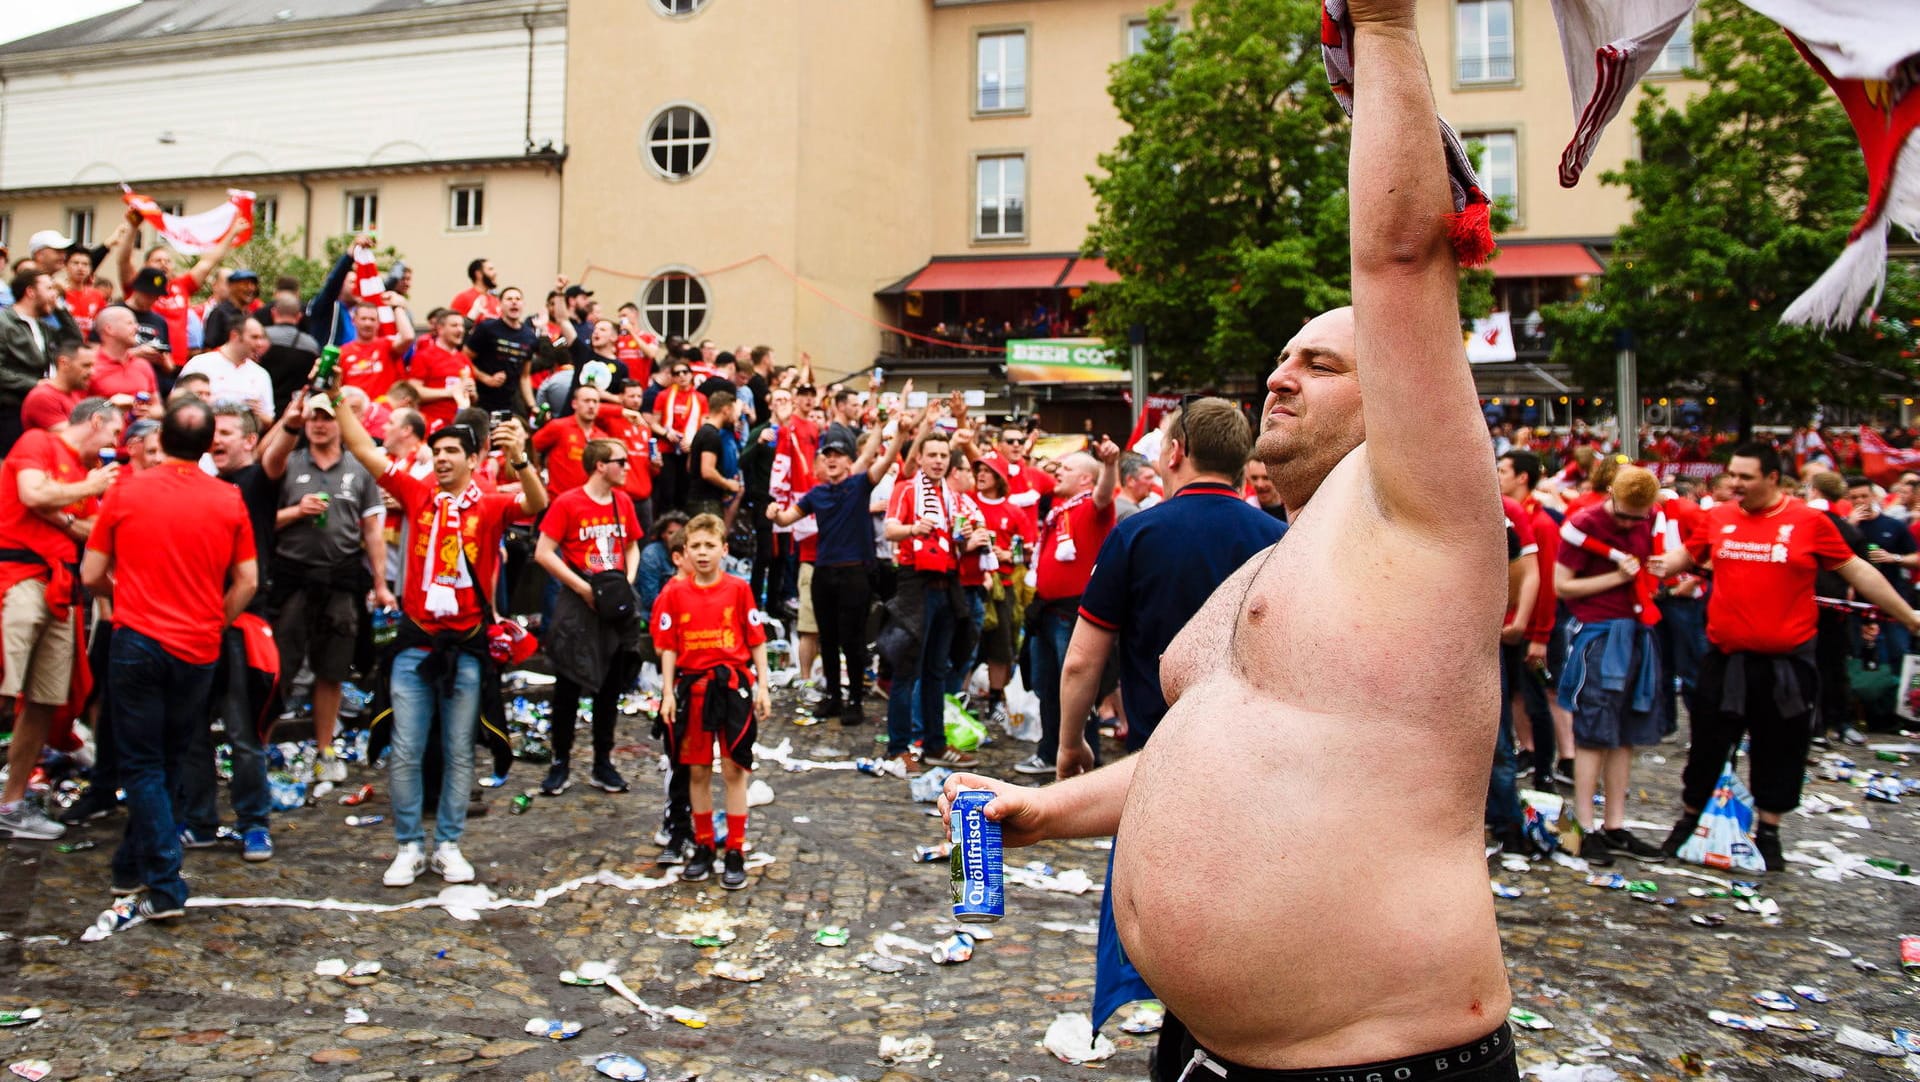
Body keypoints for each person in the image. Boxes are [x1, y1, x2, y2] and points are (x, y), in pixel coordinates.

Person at [945, 6, 1523, 1075]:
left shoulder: (1430, 514)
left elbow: (1400, 261)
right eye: (1281, 358)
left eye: (1321, 362)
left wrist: (1389, 27)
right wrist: (1046, 809)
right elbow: (1207, 755)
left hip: (1374, 1058)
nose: (1279, 374)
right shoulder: (1269, 557)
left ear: (1400, 394)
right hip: (1207, 1050)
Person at [1652, 443, 1920, 871]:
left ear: (1773, 478)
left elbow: (1858, 570)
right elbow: (1687, 555)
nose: (1735, 484)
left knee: (1781, 748)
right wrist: (1660, 564)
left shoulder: (1809, 522)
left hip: (1785, 663)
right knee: (1707, 745)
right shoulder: (1719, 518)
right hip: (1725, 658)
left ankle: (1770, 832)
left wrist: (1908, 616)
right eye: (1732, 475)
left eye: (1746, 477)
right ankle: (1688, 822)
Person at [332, 388, 546, 888]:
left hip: (467, 646)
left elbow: (536, 502)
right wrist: (335, 397)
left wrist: (520, 459)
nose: (443, 458)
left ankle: (448, 844)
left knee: (458, 749)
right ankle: (408, 845)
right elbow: (364, 450)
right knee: (406, 748)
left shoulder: (491, 506)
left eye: (453, 451)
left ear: (474, 460)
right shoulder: (415, 492)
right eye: (438, 450)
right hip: (415, 642)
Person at [81, 398, 257, 931]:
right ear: (208, 445)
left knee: (141, 763)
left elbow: (91, 572)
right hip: (196, 646)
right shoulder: (228, 500)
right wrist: (213, 619)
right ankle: (134, 865)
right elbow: (247, 580)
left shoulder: (127, 491)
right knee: (172, 757)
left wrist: (124, 597)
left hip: (137, 639)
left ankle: (160, 881)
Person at [1056, 399, 1286, 778]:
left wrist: (1069, 744)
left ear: (1177, 452)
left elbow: (1082, 662)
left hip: (1158, 757)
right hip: (1251, 759)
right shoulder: (1279, 538)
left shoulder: (1135, 535)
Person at [179, 401, 296, 860]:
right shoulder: (204, 485)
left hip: (239, 624)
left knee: (243, 733)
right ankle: (201, 821)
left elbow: (277, 455)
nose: (217, 439)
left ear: (249, 439)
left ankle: (253, 824)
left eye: (226, 431)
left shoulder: (257, 481)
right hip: (196, 624)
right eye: (213, 432)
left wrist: (291, 421)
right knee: (192, 731)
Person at [0, 398, 121, 840]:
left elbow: (97, 531)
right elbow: (32, 494)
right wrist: (86, 489)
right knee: (4, 687)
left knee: (44, 699)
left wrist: (64, 513)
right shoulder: (37, 443)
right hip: (18, 577)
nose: (114, 445)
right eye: (112, 433)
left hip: (62, 587)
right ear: (94, 422)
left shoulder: (83, 473)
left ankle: (12, 802)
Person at [272, 394, 393, 785]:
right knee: (278, 669)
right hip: (291, 578)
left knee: (332, 670)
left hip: (340, 579)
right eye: (313, 418)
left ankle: (324, 749)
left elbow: (373, 529)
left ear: (340, 423)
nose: (319, 424)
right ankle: (263, 746)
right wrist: (296, 511)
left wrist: (379, 583)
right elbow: (260, 521)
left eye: (326, 417)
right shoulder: (288, 463)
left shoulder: (358, 469)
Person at [1553, 466, 1670, 866]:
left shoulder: (1650, 516)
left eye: (1637, 517)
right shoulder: (1584, 523)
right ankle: (1583, 827)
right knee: (1593, 732)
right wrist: (1617, 578)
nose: (1629, 523)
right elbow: (1562, 586)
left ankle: (1615, 825)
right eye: (1623, 515)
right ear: (1609, 494)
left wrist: (1659, 569)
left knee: (1624, 733)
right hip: (1599, 636)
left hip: (1638, 632)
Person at [653, 513, 773, 890]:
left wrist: (764, 686)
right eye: (695, 547)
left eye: (710, 546)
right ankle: (704, 844)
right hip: (694, 690)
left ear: (724, 549)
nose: (703, 554)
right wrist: (668, 693)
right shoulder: (674, 593)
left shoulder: (738, 589)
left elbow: (755, 639)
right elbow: (668, 647)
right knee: (698, 770)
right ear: (684, 551)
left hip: (732, 688)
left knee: (735, 770)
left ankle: (734, 848)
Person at [769, 416, 913, 724]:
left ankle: (855, 701)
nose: (832, 460)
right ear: (821, 462)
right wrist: (773, 513)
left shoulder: (860, 484)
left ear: (850, 462)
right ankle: (834, 697)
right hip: (824, 573)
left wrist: (896, 435)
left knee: (853, 639)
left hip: (855, 574)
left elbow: (885, 457)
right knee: (829, 638)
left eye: (838, 456)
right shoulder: (816, 494)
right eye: (827, 455)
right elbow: (785, 520)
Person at [533, 438, 644, 796]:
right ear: (600, 465)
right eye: (620, 461)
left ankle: (602, 761)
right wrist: (581, 587)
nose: (627, 467)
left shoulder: (622, 502)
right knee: (567, 684)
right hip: (579, 604)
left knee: (609, 688)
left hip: (613, 604)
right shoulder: (568, 503)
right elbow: (544, 552)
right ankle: (560, 761)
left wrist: (625, 582)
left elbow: (631, 544)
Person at [882, 418, 986, 773]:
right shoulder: (908, 489)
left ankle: (935, 743)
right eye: (933, 455)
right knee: (907, 669)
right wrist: (914, 528)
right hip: (916, 585)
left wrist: (968, 541)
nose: (939, 461)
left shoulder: (954, 497)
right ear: (921, 459)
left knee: (937, 670)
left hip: (949, 583)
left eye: (944, 455)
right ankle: (898, 746)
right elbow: (890, 530)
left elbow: (956, 539)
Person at [1013, 444, 1120, 776]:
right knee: (1047, 686)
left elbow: (1104, 493)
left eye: (1067, 469)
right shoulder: (1061, 508)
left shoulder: (1092, 505)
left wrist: (1109, 465)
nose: (1058, 472)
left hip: (1073, 613)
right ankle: (1049, 752)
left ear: (1086, 479)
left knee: (1078, 689)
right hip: (1046, 610)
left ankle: (1086, 760)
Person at [0, 271, 77, 455]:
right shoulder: (4, 323)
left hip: (39, 408)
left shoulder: (43, 327)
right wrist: (34, 384)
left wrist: (59, 307)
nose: (54, 293)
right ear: (31, 292)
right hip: (11, 411)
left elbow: (75, 342)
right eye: (49, 288)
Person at [1847, 473, 1917, 665]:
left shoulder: (1893, 525)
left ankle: (1907, 693)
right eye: (1854, 497)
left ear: (1874, 497)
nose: (1860, 501)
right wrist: (1849, 527)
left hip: (1892, 601)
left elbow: (1916, 558)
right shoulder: (1844, 527)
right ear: (1848, 499)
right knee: (1861, 658)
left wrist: (1894, 558)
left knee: (1899, 654)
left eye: (1864, 496)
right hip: (1857, 607)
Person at [180, 317, 274, 426]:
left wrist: (257, 414)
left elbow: (269, 419)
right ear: (235, 336)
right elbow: (176, 401)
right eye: (254, 337)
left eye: (261, 338)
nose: (259, 343)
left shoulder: (261, 374)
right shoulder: (200, 363)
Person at [465, 286, 537, 416]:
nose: (514, 302)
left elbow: (525, 377)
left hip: (511, 402)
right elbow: (464, 358)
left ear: (523, 304)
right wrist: (486, 378)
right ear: (500, 305)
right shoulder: (487, 328)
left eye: (518, 299)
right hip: (483, 400)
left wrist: (532, 406)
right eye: (509, 299)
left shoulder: (529, 336)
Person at [647, 361, 706, 511]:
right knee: (666, 493)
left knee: (684, 493)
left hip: (689, 451)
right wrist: (667, 433)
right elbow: (654, 423)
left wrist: (692, 443)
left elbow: (704, 427)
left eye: (684, 372)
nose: (681, 376)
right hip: (667, 449)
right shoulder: (663, 396)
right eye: (676, 373)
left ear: (691, 375)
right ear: (672, 377)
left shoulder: (701, 398)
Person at [405, 310, 475, 432]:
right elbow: (414, 391)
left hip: (460, 424)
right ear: (440, 329)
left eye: (462, 326)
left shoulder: (464, 359)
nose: (461, 330)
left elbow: (473, 397)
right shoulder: (424, 356)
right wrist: (450, 392)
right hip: (432, 425)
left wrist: (472, 392)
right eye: (454, 326)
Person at [531, 381, 602, 498]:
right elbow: (531, 446)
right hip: (557, 499)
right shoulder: (558, 426)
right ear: (574, 404)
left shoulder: (602, 436)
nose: (591, 405)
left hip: (588, 502)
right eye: (586, 401)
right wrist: (537, 472)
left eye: (595, 401)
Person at [336, 300, 416, 402]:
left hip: (384, 411)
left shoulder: (388, 345)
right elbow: (336, 388)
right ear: (354, 321)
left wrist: (397, 307)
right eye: (363, 319)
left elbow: (408, 337)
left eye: (372, 319)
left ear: (378, 323)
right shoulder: (342, 352)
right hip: (355, 412)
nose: (368, 323)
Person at [260, 297, 323, 416]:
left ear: (273, 313)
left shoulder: (259, 338)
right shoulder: (311, 345)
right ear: (299, 316)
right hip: (294, 409)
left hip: (263, 409)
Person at [87, 306, 164, 403]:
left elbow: (158, 409)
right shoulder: (89, 365)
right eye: (130, 323)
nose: (137, 328)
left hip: (144, 418)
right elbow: (77, 411)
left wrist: (146, 412)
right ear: (109, 329)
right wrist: (110, 405)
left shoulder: (142, 364)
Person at [687, 390, 742, 517]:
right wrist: (728, 484)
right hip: (706, 502)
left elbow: (689, 466)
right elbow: (707, 471)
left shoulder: (702, 431)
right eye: (734, 411)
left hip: (698, 498)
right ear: (726, 410)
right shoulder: (712, 436)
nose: (735, 416)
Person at [21, 342, 95, 433]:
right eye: (86, 365)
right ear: (64, 363)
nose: (92, 372)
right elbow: (73, 436)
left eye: (92, 366)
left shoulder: (75, 394)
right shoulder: (43, 397)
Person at [451, 258, 502, 323]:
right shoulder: (463, 298)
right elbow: (453, 326)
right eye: (490, 269)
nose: (495, 273)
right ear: (479, 274)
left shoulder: (496, 299)